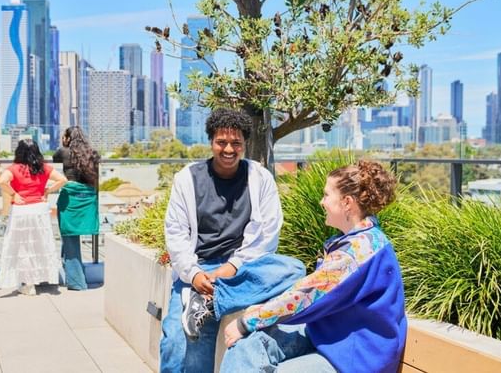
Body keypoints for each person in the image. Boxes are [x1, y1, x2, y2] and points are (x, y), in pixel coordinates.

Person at [221, 160, 406, 373]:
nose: (322, 201)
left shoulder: (358, 251)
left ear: (346, 202)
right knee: (246, 345)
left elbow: (304, 295)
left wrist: (247, 321)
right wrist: (253, 319)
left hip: (353, 360)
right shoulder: (356, 240)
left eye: (327, 195)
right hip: (328, 339)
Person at [160, 109, 305, 372]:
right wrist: (194, 275)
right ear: (211, 142)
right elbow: (176, 233)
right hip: (199, 269)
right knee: (176, 344)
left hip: (244, 269)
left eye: (236, 143)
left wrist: (231, 269)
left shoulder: (260, 179)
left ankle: (206, 301)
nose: (229, 149)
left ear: (245, 144)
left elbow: (267, 236)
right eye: (221, 142)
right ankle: (199, 298)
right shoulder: (187, 179)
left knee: (294, 268)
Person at [0, 139, 67, 295]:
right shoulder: (43, 168)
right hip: (39, 210)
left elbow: (1, 181)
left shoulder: (14, 169)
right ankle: (39, 278)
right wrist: (47, 191)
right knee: (39, 244)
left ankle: (28, 284)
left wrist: (14, 194)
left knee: (23, 246)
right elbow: (63, 179)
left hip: (21, 211)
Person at [53, 126, 101, 291]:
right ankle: (72, 274)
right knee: (70, 238)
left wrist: (64, 144)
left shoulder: (63, 152)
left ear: (67, 138)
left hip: (70, 199)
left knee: (69, 237)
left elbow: (54, 158)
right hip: (88, 198)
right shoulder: (93, 153)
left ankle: (77, 282)